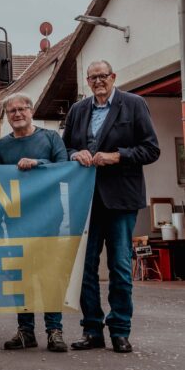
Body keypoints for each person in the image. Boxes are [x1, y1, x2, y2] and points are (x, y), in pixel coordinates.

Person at [64, 60, 160, 353]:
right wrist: (75, 155)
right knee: (86, 269)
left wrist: (117, 156)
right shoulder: (78, 110)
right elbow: (64, 148)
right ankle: (92, 329)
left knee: (119, 266)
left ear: (113, 77)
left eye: (102, 76)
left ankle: (120, 330)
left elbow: (151, 149)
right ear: (87, 81)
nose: (98, 81)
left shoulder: (134, 104)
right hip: (86, 201)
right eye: (92, 77)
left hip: (121, 200)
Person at [0, 93, 69, 353]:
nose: (17, 114)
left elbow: (64, 168)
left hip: (49, 218)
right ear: (7, 116)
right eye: (11, 111)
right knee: (21, 276)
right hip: (16, 221)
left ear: (31, 110)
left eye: (21, 109)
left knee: (49, 275)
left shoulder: (51, 138)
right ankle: (25, 331)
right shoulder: (1, 147)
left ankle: (54, 330)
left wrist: (38, 163)